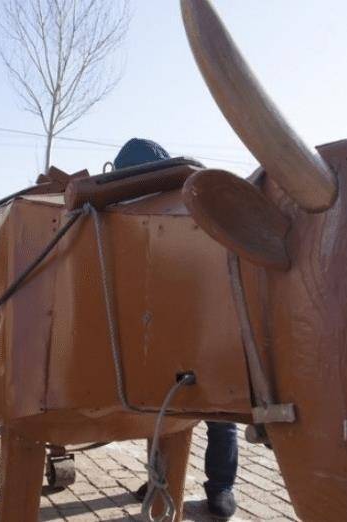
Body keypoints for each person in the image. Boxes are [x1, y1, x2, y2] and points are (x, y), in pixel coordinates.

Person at [114, 138, 239, 520]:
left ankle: (218, 489)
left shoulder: (194, 210)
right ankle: (168, 480)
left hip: (210, 328)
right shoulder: (137, 214)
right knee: (164, 405)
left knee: (215, 411)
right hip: (173, 328)